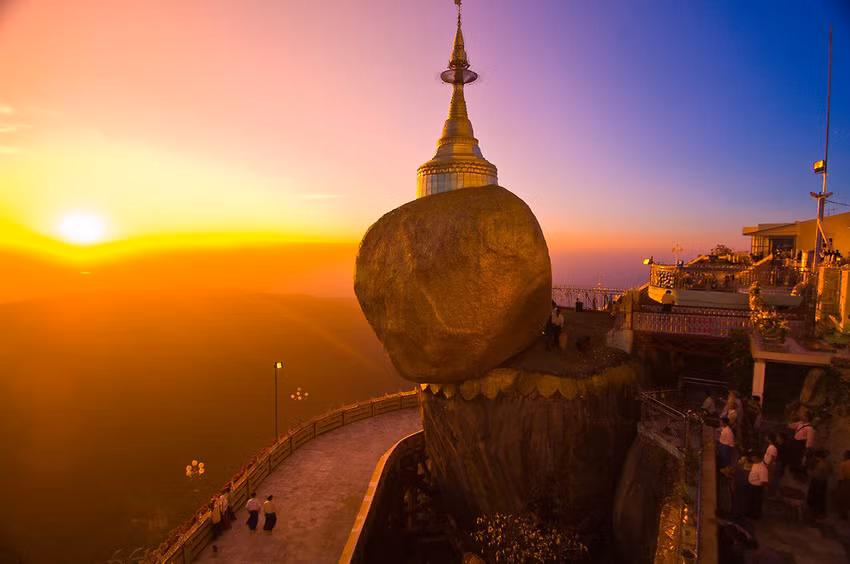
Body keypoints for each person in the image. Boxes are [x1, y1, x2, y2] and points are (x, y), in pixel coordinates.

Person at [789, 411, 815, 478]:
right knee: (793, 459)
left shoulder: (810, 428)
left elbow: (809, 441)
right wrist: (791, 417)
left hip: (801, 445)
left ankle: (800, 475)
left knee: (800, 461)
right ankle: (794, 472)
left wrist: (807, 449)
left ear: (807, 417)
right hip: (795, 443)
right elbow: (791, 425)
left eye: (803, 416)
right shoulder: (800, 423)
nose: (801, 416)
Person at [807, 450, 832, 519]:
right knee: (819, 498)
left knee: (816, 497)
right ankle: (817, 513)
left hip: (817, 482)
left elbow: (810, 471)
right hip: (821, 482)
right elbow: (830, 472)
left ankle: (814, 513)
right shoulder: (826, 463)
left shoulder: (817, 462)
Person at [748, 454, 769, 519]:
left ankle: (755, 517)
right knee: (752, 501)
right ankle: (752, 513)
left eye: (754, 458)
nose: (752, 459)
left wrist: (764, 490)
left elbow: (764, 481)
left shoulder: (762, 468)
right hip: (752, 486)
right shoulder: (756, 464)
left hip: (757, 488)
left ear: (758, 458)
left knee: (756, 503)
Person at [838, 451, 850, 519]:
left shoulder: (843, 463)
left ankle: (844, 515)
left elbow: (841, 477)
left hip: (846, 482)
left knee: (844, 499)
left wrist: (839, 487)